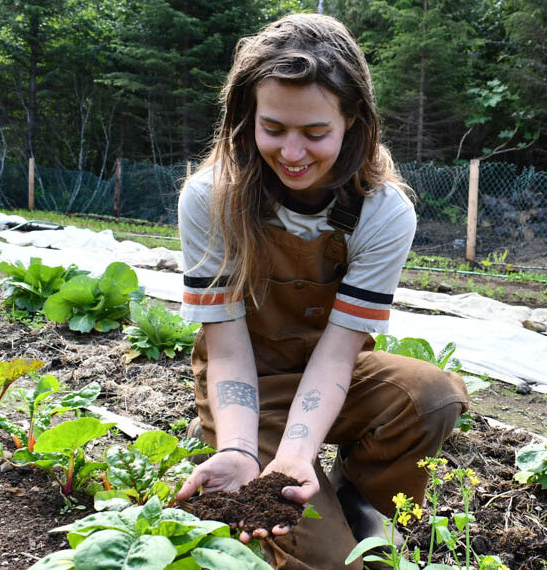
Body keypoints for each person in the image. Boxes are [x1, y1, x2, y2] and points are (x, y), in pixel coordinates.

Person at [172, 13, 468, 569]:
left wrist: (295, 455)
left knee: (431, 397)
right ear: (246, 116)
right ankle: (235, 445)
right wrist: (239, 448)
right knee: (331, 564)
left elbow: (340, 350)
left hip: (332, 377)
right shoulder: (212, 197)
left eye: (315, 133)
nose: (292, 152)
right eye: (274, 128)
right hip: (247, 384)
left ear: (353, 120)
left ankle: (358, 506)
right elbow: (228, 348)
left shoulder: (382, 211)